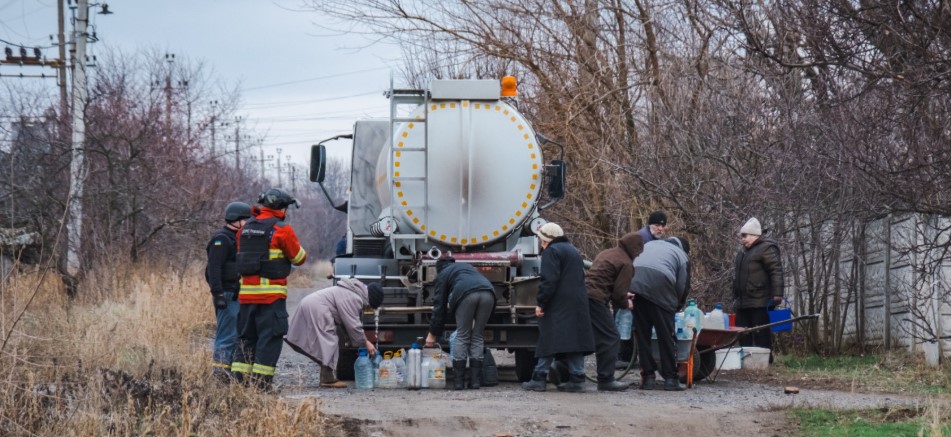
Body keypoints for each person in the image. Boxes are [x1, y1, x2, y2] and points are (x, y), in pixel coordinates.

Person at [231, 188, 308, 390]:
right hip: (271, 298)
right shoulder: (282, 229)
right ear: (281, 207)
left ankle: (239, 385)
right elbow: (299, 259)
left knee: (246, 339)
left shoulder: (244, 229)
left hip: (246, 298)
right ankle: (261, 386)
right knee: (269, 339)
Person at [522, 223, 595, 393]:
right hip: (577, 302)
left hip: (558, 303)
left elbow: (549, 280)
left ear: (547, 239)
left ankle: (539, 378)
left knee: (548, 338)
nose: (541, 243)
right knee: (574, 340)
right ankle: (577, 378)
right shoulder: (572, 250)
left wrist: (541, 303)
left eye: (542, 239)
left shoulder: (551, 252)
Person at [284, 279, 384, 388]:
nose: (366, 308)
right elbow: (353, 325)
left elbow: (346, 324)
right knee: (330, 342)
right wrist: (366, 342)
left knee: (324, 343)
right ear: (371, 299)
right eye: (369, 306)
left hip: (311, 304)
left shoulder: (354, 293)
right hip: (316, 307)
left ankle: (326, 377)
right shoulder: (354, 298)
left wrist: (354, 340)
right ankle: (328, 379)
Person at [424, 257, 496, 390]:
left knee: (462, 335)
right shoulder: (465, 268)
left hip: (466, 295)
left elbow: (439, 306)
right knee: (477, 335)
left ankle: (458, 382)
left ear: (438, 268)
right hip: (488, 292)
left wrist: (433, 333)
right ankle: (475, 382)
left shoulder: (443, 274)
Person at [584, 232, 644, 391]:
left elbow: (605, 280)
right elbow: (618, 294)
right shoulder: (626, 263)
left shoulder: (607, 253)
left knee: (585, 336)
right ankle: (606, 379)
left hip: (583, 296)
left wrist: (623, 295)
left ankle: (563, 369)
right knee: (610, 337)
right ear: (635, 249)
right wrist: (627, 303)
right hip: (596, 300)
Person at [630, 237, 691, 391]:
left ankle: (648, 378)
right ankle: (671, 379)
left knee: (643, 336)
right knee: (666, 335)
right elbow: (682, 285)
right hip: (661, 284)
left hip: (635, 284)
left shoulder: (649, 244)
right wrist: (676, 305)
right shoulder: (682, 255)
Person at [205, 201, 252, 381]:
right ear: (237, 219)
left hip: (235, 294)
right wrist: (217, 294)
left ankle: (229, 372)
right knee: (227, 335)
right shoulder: (222, 239)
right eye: (245, 219)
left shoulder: (235, 238)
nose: (248, 222)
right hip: (227, 294)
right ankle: (220, 375)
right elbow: (213, 268)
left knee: (235, 335)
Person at [619, 210, 668, 367]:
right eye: (657, 225)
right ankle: (623, 357)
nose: (660, 228)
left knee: (631, 321)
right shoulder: (643, 239)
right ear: (650, 225)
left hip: (638, 283)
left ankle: (628, 357)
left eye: (662, 225)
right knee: (627, 320)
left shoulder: (653, 239)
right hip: (633, 283)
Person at [732, 217, 784, 356]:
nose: (743, 239)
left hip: (760, 299)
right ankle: (746, 360)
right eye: (742, 236)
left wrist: (777, 294)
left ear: (755, 235)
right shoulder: (743, 252)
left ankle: (765, 359)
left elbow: (776, 270)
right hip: (743, 301)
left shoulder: (766, 248)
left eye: (745, 236)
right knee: (742, 332)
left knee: (761, 332)